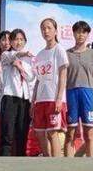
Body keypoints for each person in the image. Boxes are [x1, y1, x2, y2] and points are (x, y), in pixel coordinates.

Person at [65, 21, 93, 157]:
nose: (81, 35)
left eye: (84, 32)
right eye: (78, 31)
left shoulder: (92, 54)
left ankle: (90, 165)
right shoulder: (66, 53)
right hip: (71, 93)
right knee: (70, 132)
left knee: (89, 132)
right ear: (73, 33)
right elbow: (63, 77)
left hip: (88, 93)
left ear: (87, 34)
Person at [32, 18, 68, 158]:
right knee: (39, 133)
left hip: (54, 98)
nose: (46, 31)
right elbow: (37, 80)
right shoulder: (40, 54)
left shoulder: (59, 50)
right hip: (41, 99)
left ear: (55, 31)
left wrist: (59, 99)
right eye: (43, 28)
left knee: (53, 132)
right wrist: (33, 101)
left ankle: (56, 164)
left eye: (49, 28)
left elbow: (63, 75)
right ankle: (47, 160)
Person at [0, 28, 34, 157]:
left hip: (24, 99)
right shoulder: (6, 55)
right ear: (11, 42)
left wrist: (20, 68)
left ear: (25, 41)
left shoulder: (28, 60)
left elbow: (31, 77)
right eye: (16, 39)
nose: (18, 42)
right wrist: (22, 55)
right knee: (7, 133)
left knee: (22, 133)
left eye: (21, 39)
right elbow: (12, 56)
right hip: (10, 97)